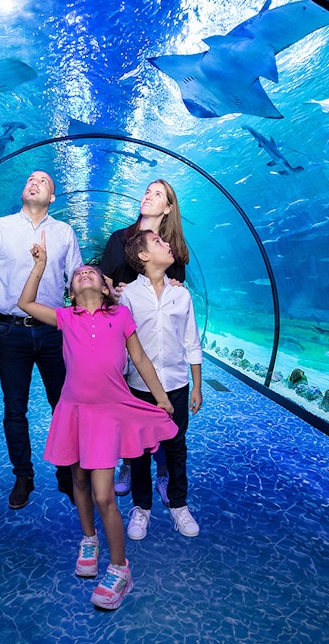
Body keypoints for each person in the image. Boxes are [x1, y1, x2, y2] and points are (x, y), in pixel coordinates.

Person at [17, 234, 177, 611]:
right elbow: (23, 303)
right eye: (78, 275)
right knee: (78, 481)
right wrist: (40, 266)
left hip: (108, 413)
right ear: (71, 292)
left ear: (107, 288)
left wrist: (161, 397)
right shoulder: (64, 318)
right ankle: (88, 538)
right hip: (73, 412)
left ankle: (120, 568)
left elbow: (139, 359)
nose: (85, 274)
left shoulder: (120, 316)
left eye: (93, 273)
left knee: (105, 493)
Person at [0, 170, 83, 510]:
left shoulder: (64, 232)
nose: (34, 182)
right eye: (30, 178)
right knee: (14, 409)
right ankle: (23, 475)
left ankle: (67, 472)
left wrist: (86, 325)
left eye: (43, 181)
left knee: (63, 405)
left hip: (52, 330)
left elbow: (77, 282)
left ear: (52, 198)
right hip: (9, 331)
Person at [99, 179, 191, 498]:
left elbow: (177, 293)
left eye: (157, 194)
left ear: (168, 208)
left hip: (159, 344)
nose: (147, 196)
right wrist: (115, 291)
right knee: (130, 405)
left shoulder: (171, 251)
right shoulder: (119, 239)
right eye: (147, 191)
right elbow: (104, 282)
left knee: (163, 408)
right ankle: (130, 462)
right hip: (123, 339)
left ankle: (163, 471)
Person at [119, 228, 203, 540]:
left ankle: (179, 506)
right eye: (158, 242)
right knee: (139, 450)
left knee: (177, 447)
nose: (167, 244)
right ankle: (142, 509)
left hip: (178, 384)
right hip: (139, 387)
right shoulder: (127, 296)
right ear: (143, 256)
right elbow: (123, 347)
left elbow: (192, 342)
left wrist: (197, 386)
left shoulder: (182, 295)